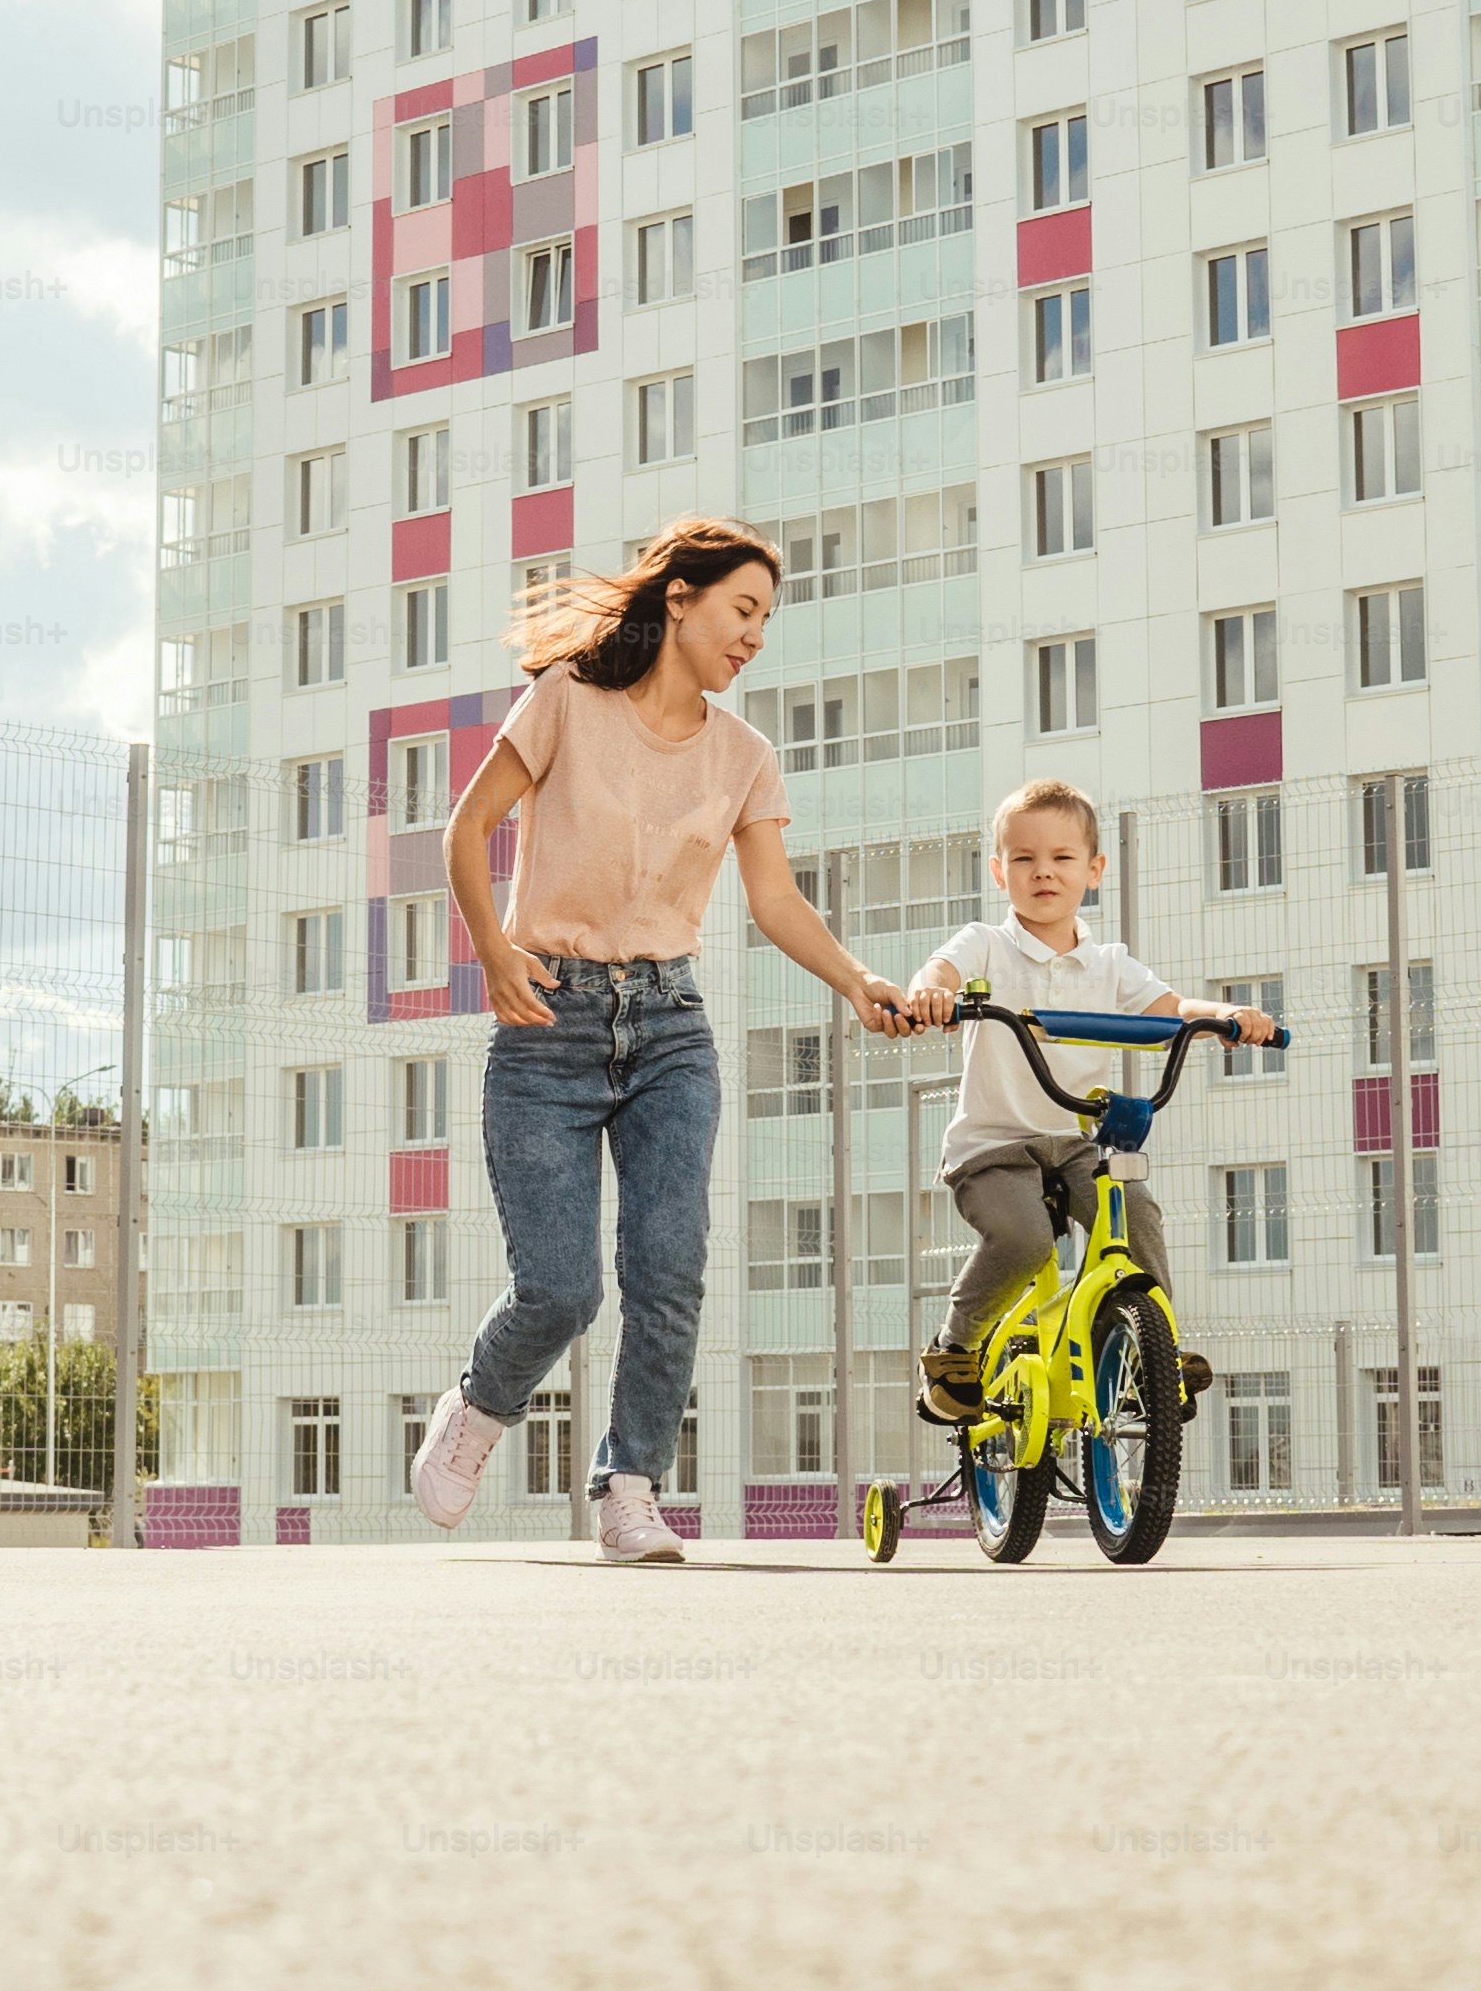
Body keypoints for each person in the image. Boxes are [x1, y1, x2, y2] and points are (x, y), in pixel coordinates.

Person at [412, 518, 911, 1562]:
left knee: (670, 1267)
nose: (755, 637)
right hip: (550, 1022)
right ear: (679, 598)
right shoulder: (565, 704)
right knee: (561, 1287)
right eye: (743, 610)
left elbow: (775, 901)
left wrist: (858, 977)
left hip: (671, 1030)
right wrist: (493, 953)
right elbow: (465, 830)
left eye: (767, 619)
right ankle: (477, 1406)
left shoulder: (744, 757)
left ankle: (629, 1486)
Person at [901, 778, 1274, 1422]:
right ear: (1000, 872)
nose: (1043, 872)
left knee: (1134, 1212)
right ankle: (954, 1349)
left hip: (1074, 1145)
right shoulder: (983, 945)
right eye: (1024, 859)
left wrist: (1225, 1014)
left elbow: (1173, 1009)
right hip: (992, 1148)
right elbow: (939, 972)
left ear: (1094, 870)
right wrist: (931, 994)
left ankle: (1150, 1351)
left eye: (1063, 858)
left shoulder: (1110, 965)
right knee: (1024, 1243)